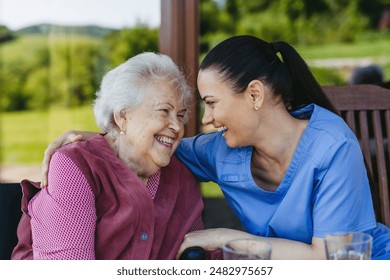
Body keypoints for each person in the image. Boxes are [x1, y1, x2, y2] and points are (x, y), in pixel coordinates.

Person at [39, 35, 390, 260]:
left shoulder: (332, 146)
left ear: (254, 95)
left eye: (211, 102)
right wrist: (111, 132)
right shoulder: (222, 150)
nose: (205, 119)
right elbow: (157, 143)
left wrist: (225, 236)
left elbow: (332, 259)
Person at [11, 52, 205, 260]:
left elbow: (204, 258)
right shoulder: (75, 167)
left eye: (181, 115)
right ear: (122, 117)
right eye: (164, 111)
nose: (177, 126)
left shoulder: (180, 175)